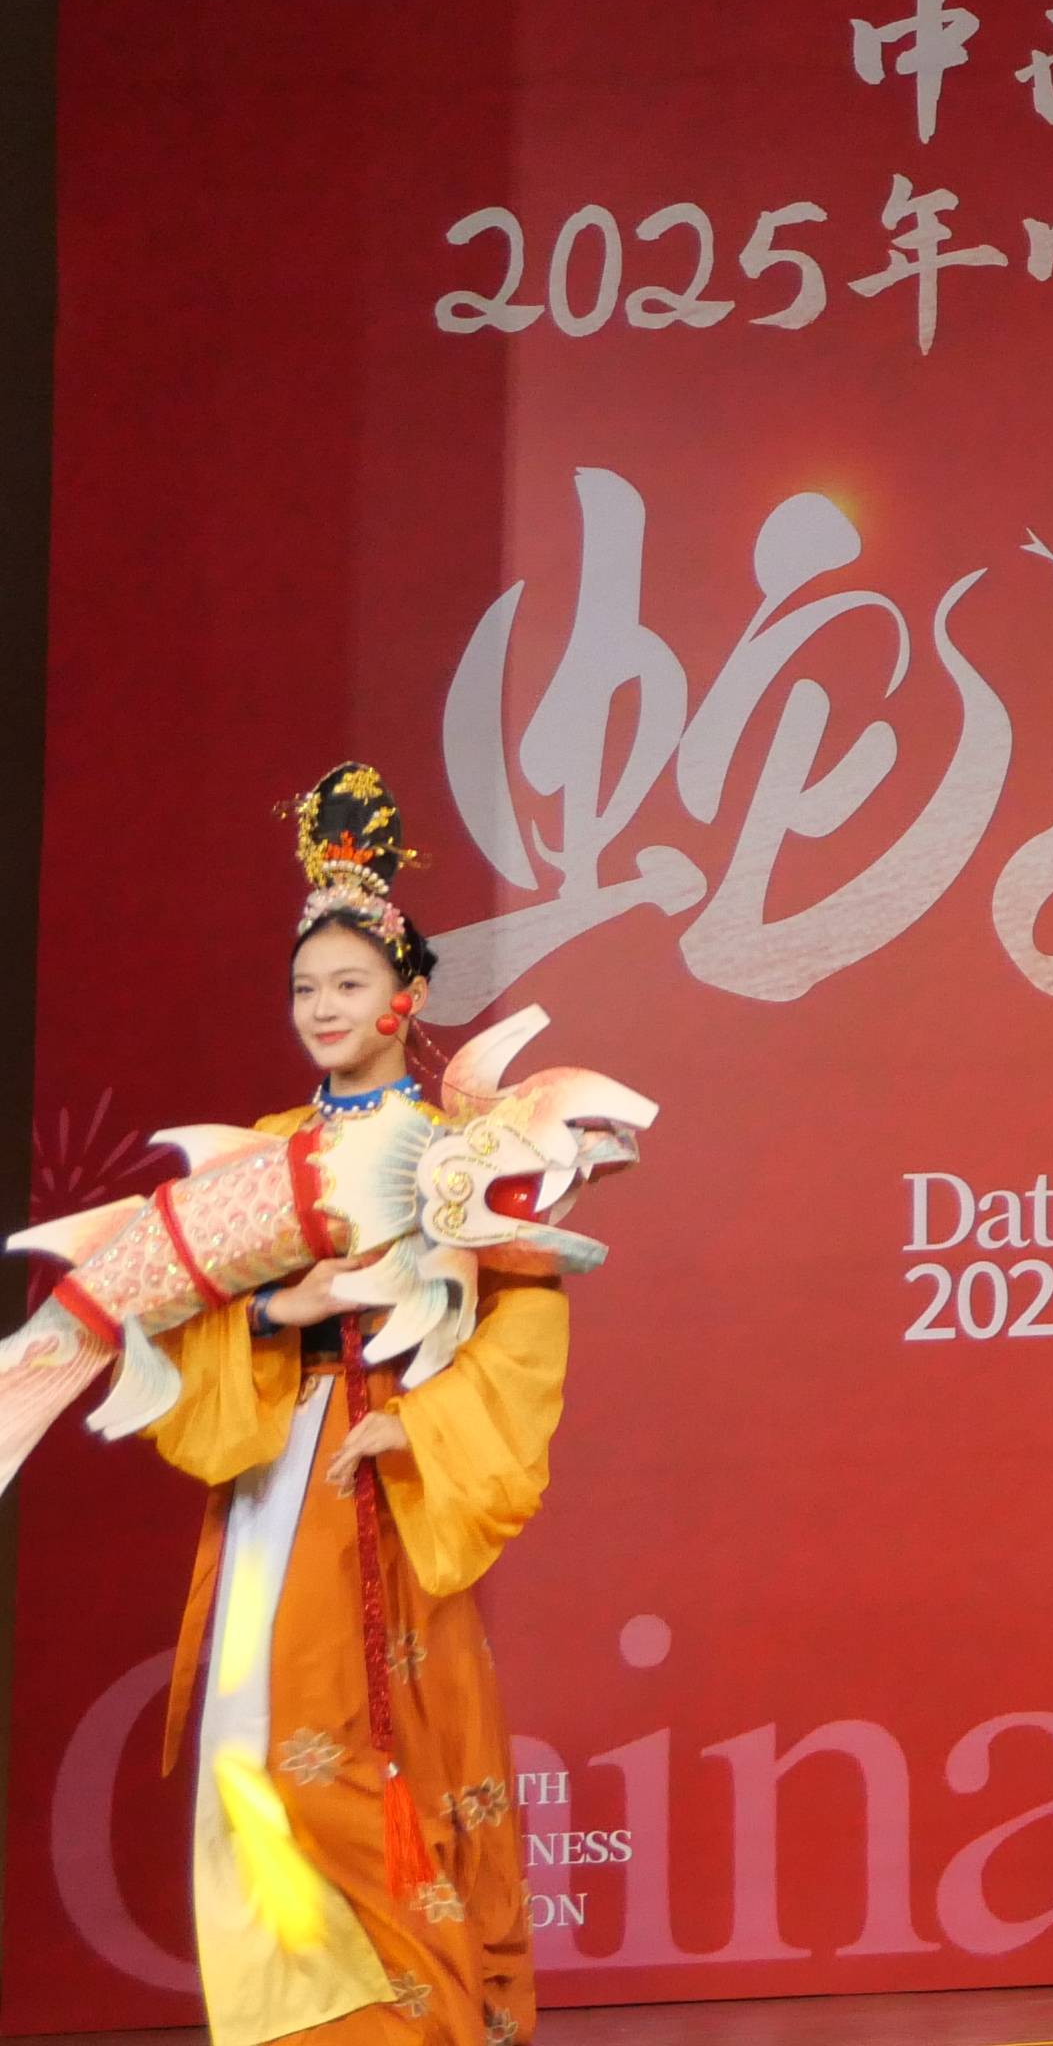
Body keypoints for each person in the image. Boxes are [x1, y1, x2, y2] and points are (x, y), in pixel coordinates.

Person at [150, 766, 566, 2046]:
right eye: (304, 988)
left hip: (382, 1477)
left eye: (346, 984)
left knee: (365, 1747)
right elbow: (181, 1314)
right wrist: (281, 1308)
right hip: (278, 1463)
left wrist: (420, 1423)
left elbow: (526, 1325)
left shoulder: (458, 1148)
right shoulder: (263, 1150)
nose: (323, 1008)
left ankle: (408, 2019)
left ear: (408, 995)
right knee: (250, 1747)